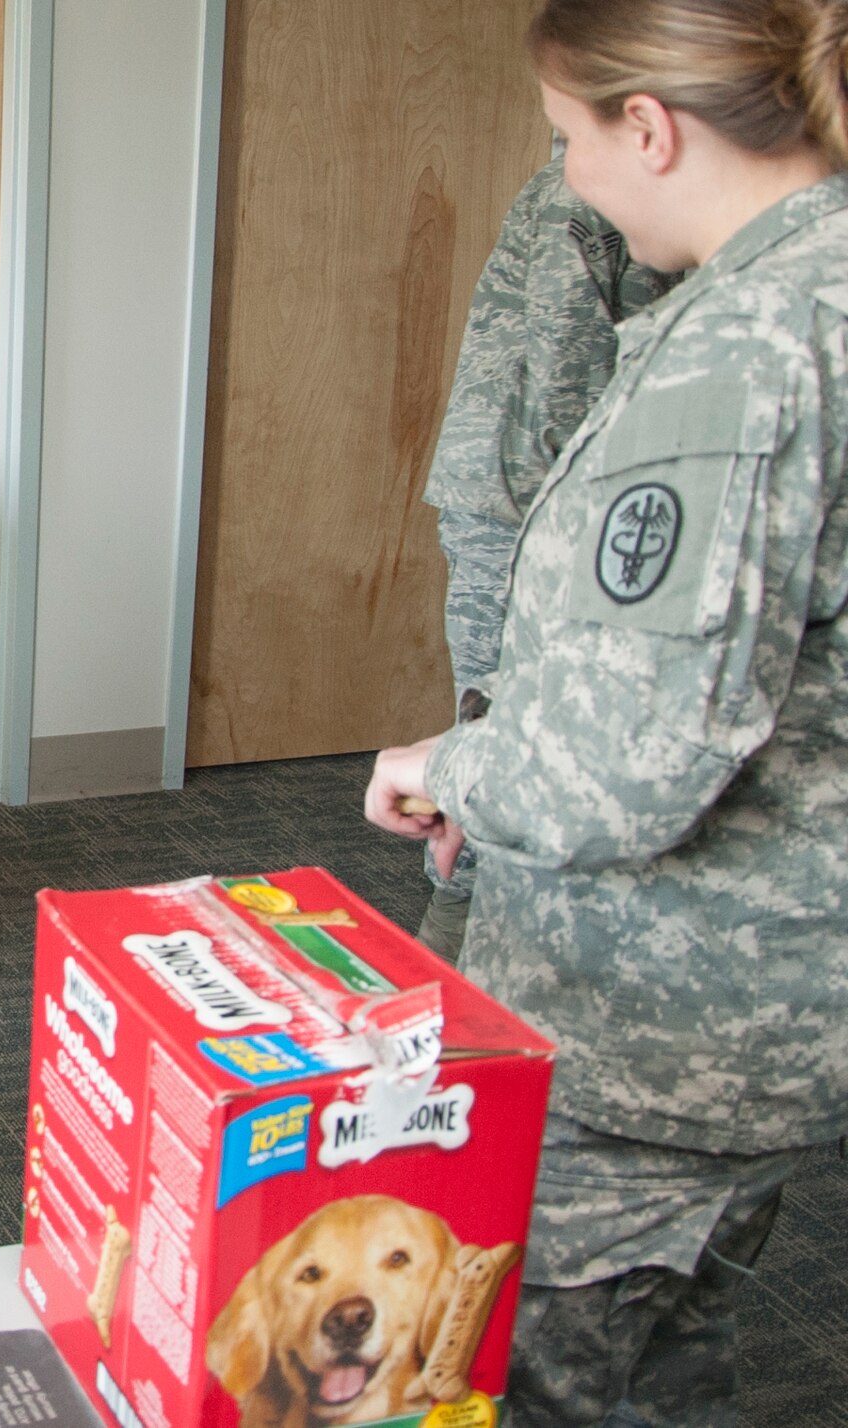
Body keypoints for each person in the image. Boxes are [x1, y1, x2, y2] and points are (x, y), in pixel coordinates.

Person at [364, 0, 848, 1421]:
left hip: (658, 1030)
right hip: (776, 1006)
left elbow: (621, 769)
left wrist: (454, 762)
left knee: (514, 1370)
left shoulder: (746, 353)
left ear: (652, 129)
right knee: (667, 1349)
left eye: (569, 138)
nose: (565, 175)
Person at [417, 155, 679, 960]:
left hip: (554, 490)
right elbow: (566, 360)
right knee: (507, 714)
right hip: (528, 497)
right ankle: (456, 949)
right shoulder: (598, 179)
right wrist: (573, 519)